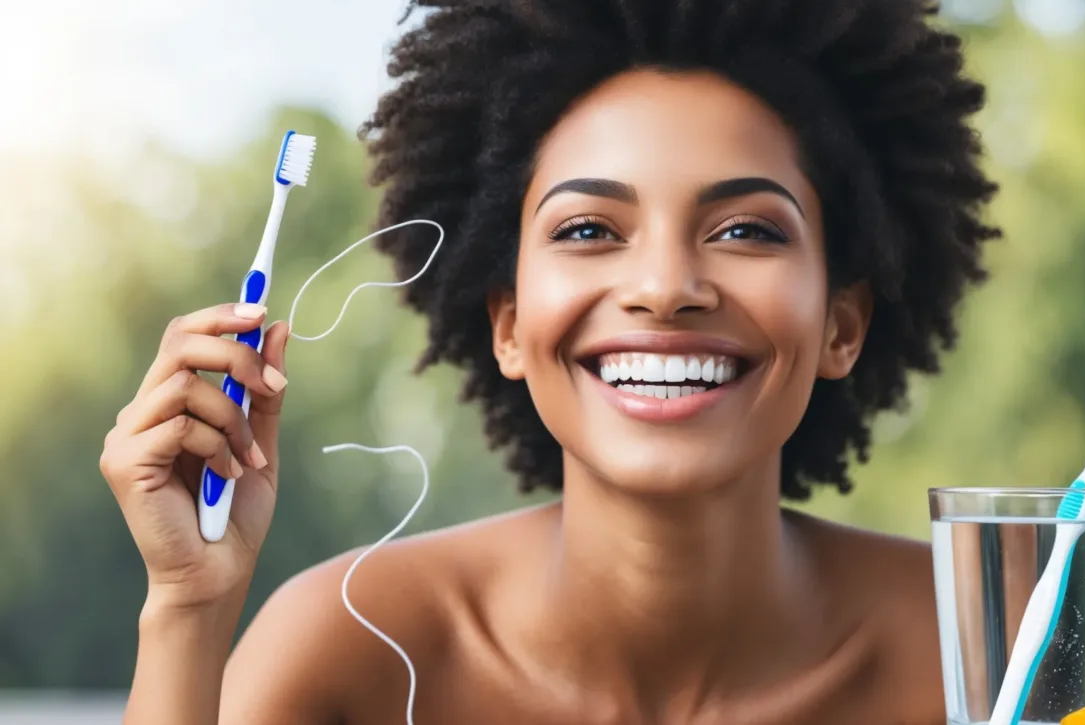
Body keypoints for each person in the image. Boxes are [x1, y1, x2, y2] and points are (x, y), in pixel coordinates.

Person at [99, 0, 999, 722]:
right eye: (588, 230)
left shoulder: (989, 642)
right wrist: (187, 608)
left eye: (745, 229)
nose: (664, 286)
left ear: (843, 324)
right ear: (508, 324)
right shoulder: (346, 648)